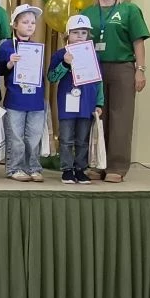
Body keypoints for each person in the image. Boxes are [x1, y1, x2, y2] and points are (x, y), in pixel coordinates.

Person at [80, 0, 150, 183]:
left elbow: (138, 41)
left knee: (121, 118)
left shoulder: (129, 10)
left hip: (122, 67)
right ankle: (97, 164)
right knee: (97, 116)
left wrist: (140, 70)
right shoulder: (88, 13)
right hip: (94, 69)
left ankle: (117, 166)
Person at [47, 15, 105, 184]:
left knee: (82, 139)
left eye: (83, 33)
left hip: (87, 103)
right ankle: (67, 169)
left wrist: (99, 102)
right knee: (66, 138)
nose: (80, 36)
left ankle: (80, 168)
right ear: (67, 35)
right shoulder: (60, 55)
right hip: (67, 102)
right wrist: (65, 64)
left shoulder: (93, 55)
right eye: (75, 33)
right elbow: (52, 77)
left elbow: (99, 81)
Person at [0, 4, 47, 182]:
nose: (30, 25)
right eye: (25, 22)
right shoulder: (7, 46)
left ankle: (33, 167)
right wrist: (10, 63)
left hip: (35, 100)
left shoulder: (37, 48)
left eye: (32, 22)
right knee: (16, 137)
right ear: (15, 24)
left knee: (34, 137)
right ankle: (14, 168)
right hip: (15, 100)